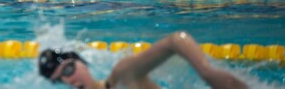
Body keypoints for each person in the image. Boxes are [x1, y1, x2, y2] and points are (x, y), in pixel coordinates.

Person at [38, 31, 248, 89]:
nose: (69, 81)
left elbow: (175, 41)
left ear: (81, 62)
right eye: (59, 80)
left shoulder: (122, 77)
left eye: (67, 71)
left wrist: (207, 72)